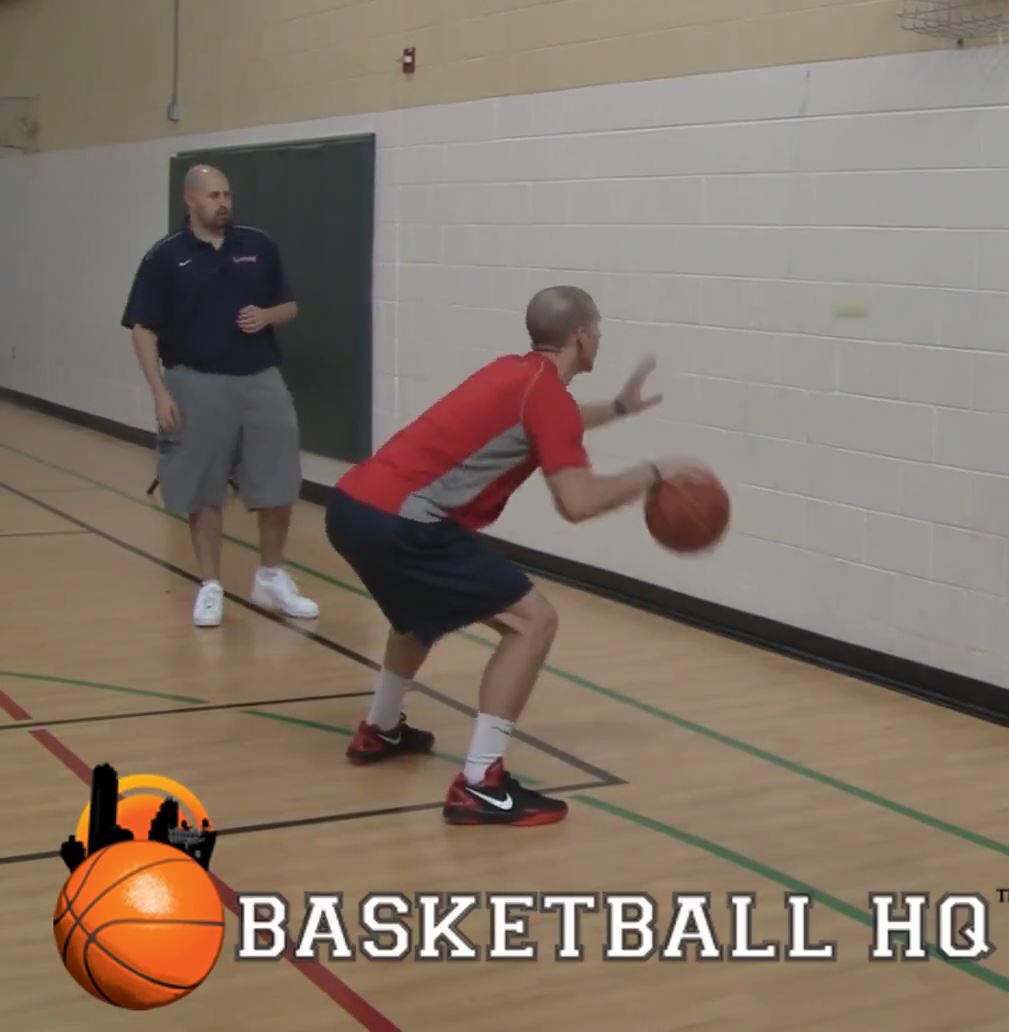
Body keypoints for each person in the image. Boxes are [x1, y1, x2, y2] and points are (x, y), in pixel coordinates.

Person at [324, 284, 705, 827]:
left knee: (416, 615)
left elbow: (554, 420)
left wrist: (619, 409)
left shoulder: (513, 373)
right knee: (533, 622)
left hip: (351, 506)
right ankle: (480, 783)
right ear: (581, 335)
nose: (599, 336)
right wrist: (652, 472)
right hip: (401, 524)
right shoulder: (545, 395)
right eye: (597, 327)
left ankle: (380, 729)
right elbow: (577, 503)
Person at [121, 164, 321, 628]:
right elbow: (143, 329)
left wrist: (267, 316)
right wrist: (160, 392)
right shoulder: (166, 257)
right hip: (195, 382)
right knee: (204, 488)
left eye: (227, 194)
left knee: (278, 481)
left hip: (260, 378)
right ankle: (210, 584)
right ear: (190, 199)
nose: (224, 203)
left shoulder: (258, 245)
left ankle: (271, 576)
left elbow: (290, 306)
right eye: (213, 196)